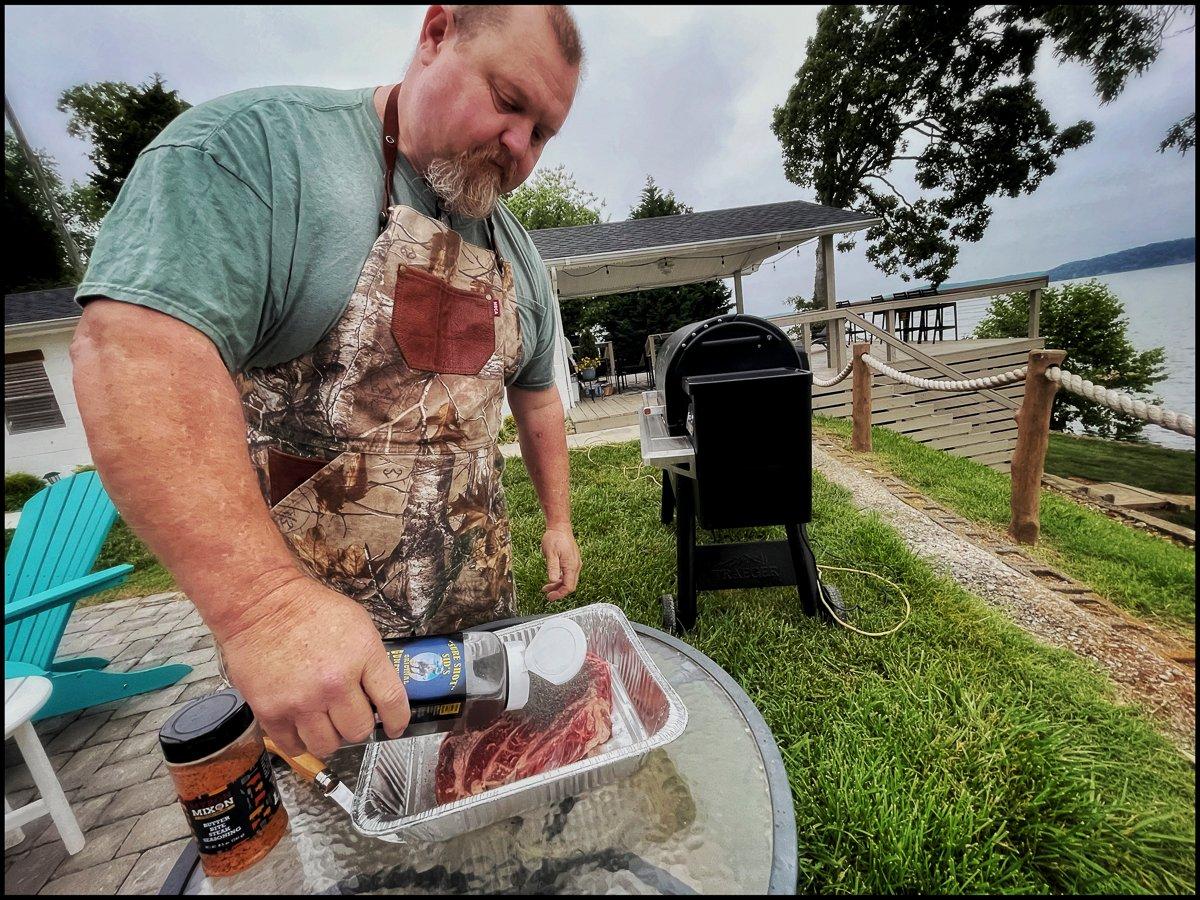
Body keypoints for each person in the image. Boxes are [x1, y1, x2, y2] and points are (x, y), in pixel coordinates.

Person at [69, 5, 584, 760]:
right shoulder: (260, 155)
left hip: (480, 623)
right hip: (324, 668)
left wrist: (559, 522)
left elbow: (536, 396)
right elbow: (135, 353)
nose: (519, 146)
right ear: (436, 32)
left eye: (541, 132)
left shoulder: (518, 254)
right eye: (509, 102)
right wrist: (264, 612)